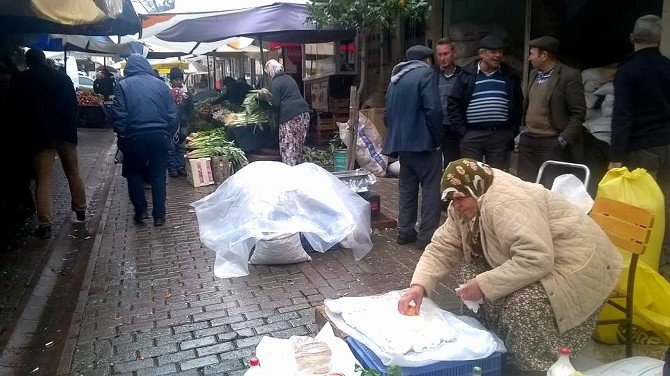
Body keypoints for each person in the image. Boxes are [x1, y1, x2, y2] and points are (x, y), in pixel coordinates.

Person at [398, 158, 623, 373]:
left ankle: (533, 364)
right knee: (471, 275)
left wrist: (485, 284)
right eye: (451, 200)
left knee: (523, 304)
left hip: (579, 264)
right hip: (545, 257)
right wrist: (419, 287)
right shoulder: (467, 201)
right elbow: (441, 247)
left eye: (461, 199)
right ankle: (491, 343)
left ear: (476, 189)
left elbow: (536, 258)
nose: (456, 206)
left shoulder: (508, 203)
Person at [608, 14, 670, 266]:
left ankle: (642, 259)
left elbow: (622, 116)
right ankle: (664, 251)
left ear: (632, 38)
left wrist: (615, 158)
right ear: (660, 39)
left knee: (642, 204)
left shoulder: (628, 71)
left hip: (643, 147)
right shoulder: (668, 67)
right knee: (664, 199)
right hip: (668, 144)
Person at [10, 48, 87, 239]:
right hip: (65, 132)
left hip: (40, 134)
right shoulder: (63, 78)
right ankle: (81, 210)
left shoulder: (21, 79)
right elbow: (73, 104)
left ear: (28, 62)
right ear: (44, 60)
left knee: (43, 179)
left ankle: (45, 225)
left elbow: (15, 109)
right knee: (73, 172)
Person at [381, 45, 443, 249]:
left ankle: (405, 232)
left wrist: (399, 137)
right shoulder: (426, 74)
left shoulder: (395, 80)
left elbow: (387, 115)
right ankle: (426, 237)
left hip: (403, 145)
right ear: (427, 60)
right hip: (424, 143)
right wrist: (437, 138)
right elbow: (433, 109)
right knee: (431, 189)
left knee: (407, 188)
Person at [112, 53, 178, 227]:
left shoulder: (123, 85)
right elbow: (173, 114)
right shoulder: (161, 85)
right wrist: (167, 134)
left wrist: (122, 135)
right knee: (158, 175)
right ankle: (159, 215)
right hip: (160, 136)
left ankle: (141, 212)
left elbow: (120, 114)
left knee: (134, 173)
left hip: (134, 137)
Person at [447, 35, 523, 171]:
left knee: (497, 179)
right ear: (481, 53)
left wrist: (511, 132)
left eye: (500, 52)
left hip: (500, 136)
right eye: (493, 52)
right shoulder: (466, 75)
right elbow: (453, 104)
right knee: (472, 176)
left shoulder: (509, 76)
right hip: (472, 136)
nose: (498, 56)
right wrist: (463, 131)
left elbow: (518, 105)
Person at [518, 36, 586, 186]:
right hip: (528, 140)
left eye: (532, 54)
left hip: (551, 142)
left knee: (550, 187)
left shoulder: (569, 76)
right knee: (526, 187)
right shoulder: (534, 74)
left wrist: (562, 140)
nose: (529, 58)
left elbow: (578, 113)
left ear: (544, 55)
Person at [264, 59, 310, 166]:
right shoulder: (289, 78)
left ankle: (291, 176)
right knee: (297, 147)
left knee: (289, 148)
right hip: (303, 114)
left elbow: (275, 103)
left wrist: (265, 102)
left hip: (291, 117)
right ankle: (297, 171)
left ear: (271, 71)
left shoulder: (275, 82)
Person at [434, 38, 463, 169]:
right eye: (440, 54)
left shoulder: (463, 75)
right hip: (439, 126)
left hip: (458, 126)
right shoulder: (433, 76)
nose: (443, 58)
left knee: (458, 164)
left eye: (446, 54)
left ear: (454, 53)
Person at [167, 67, 192, 178]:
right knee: (171, 147)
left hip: (183, 123)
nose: (179, 82)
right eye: (176, 79)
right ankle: (172, 168)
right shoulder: (166, 92)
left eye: (180, 79)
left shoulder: (186, 93)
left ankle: (181, 167)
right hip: (170, 124)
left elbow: (191, 108)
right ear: (171, 81)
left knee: (181, 146)